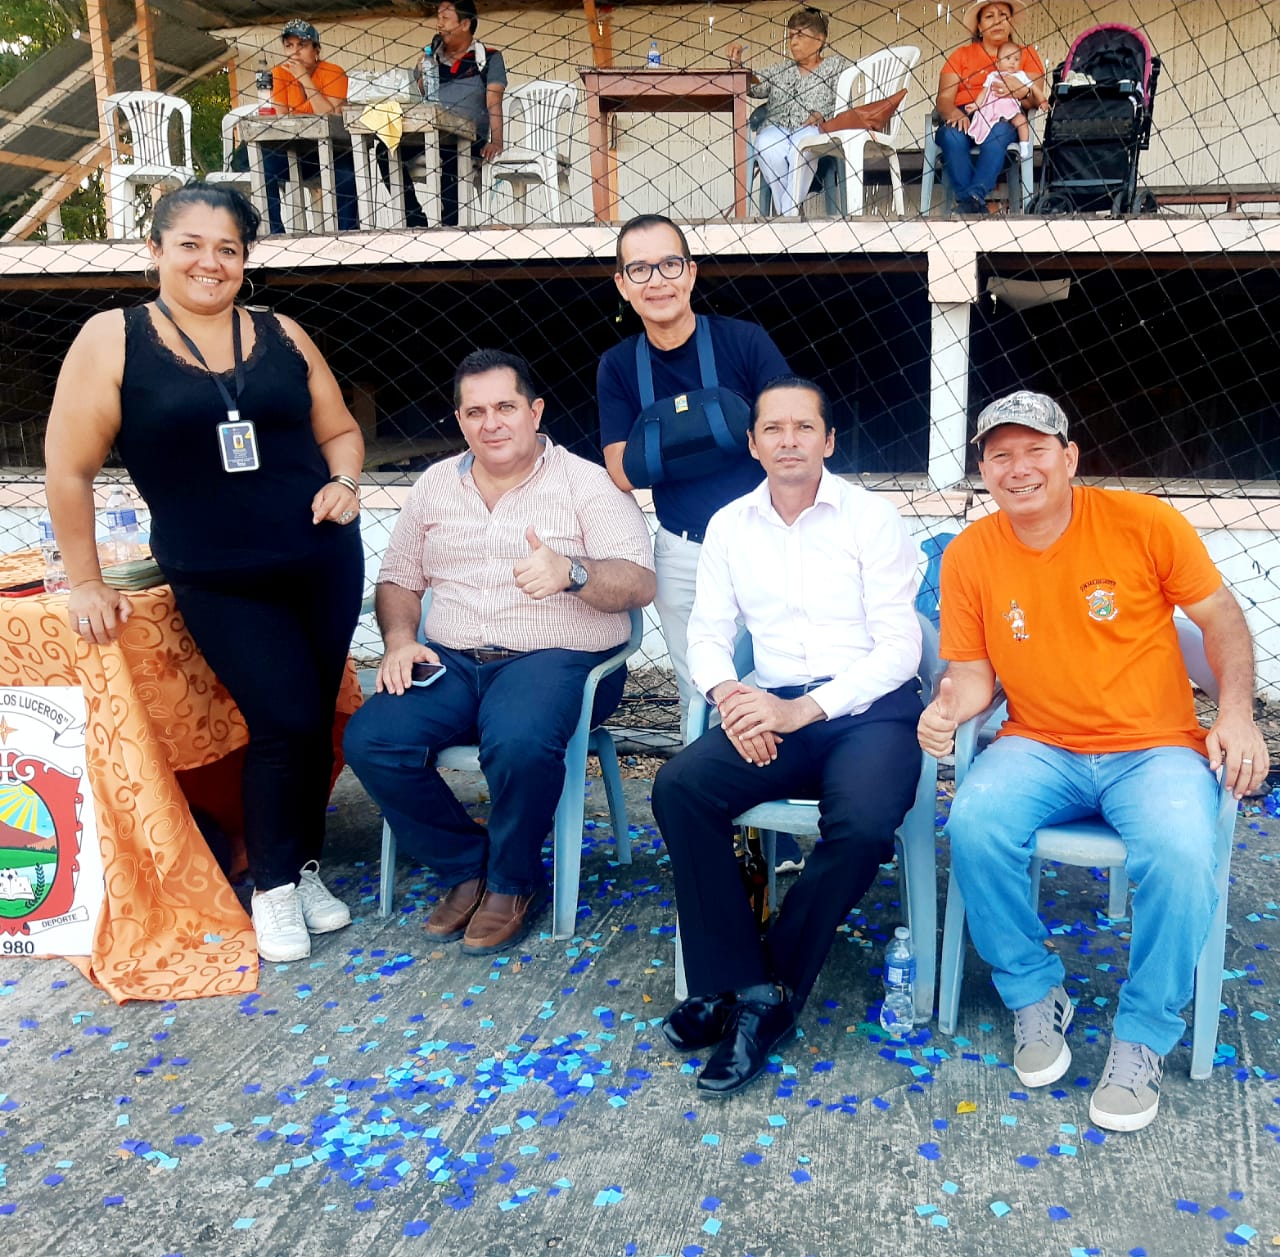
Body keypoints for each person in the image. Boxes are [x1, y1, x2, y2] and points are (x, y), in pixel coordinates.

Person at [917, 390, 1268, 1132]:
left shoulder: (1143, 522)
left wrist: (1236, 714)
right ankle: (1033, 990)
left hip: (1154, 748)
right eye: (1000, 456)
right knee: (975, 823)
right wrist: (947, 709)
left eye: (1035, 450)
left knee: (1181, 852)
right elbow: (974, 678)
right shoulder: (971, 554)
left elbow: (1221, 619)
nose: (1019, 468)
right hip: (1039, 742)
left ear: (1069, 457)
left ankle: (1142, 1034)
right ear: (984, 470)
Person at [44, 181, 366, 964]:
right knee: (282, 719)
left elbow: (341, 430)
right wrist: (86, 579)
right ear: (155, 250)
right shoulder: (113, 338)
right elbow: (68, 470)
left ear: (245, 260)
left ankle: (302, 866)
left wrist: (345, 482)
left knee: (313, 718)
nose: (209, 262)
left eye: (227, 248)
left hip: (322, 559)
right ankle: (272, 886)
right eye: (189, 244)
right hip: (219, 575)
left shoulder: (281, 331)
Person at [652, 377, 924, 1096]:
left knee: (862, 825)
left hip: (868, 709)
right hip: (770, 704)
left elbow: (900, 648)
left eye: (805, 427)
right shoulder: (730, 525)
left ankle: (762, 986)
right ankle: (742, 983)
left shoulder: (872, 519)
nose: (789, 440)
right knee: (680, 788)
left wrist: (804, 710)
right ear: (752, 444)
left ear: (828, 440)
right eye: (773, 428)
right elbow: (708, 634)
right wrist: (732, 699)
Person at [343, 350, 654, 956]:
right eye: (475, 412)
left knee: (517, 740)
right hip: (453, 660)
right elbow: (398, 578)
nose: (492, 424)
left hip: (557, 657)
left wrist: (572, 572)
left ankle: (513, 882)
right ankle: (466, 864)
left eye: (505, 408)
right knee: (373, 739)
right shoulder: (436, 484)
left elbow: (639, 581)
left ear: (534, 412)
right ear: (461, 420)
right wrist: (401, 640)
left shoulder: (585, 482)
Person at [598, 214, 789, 736]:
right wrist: (729, 432)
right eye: (639, 269)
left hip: (767, 540)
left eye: (669, 264)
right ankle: (707, 785)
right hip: (683, 553)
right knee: (700, 696)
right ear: (622, 284)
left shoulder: (744, 342)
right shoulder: (618, 365)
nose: (656, 280)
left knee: (782, 679)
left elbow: (790, 433)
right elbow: (621, 471)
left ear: (691, 272)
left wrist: (661, 439)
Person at [725, 8, 852, 217]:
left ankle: (785, 215)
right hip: (777, 129)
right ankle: (791, 213)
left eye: (800, 35)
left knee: (803, 146)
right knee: (764, 144)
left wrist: (823, 114)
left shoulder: (835, 66)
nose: (793, 42)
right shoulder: (781, 70)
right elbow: (752, 87)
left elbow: (845, 101)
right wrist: (737, 65)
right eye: (791, 36)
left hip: (812, 130)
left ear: (819, 40)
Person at [935, 1, 1045, 214]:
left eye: (1003, 15)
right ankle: (974, 204)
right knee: (951, 136)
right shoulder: (961, 55)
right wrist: (954, 112)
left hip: (1006, 116)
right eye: (989, 16)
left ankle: (972, 199)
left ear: (1011, 22)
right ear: (979, 26)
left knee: (999, 132)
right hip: (967, 113)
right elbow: (944, 98)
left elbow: (1036, 100)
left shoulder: (1027, 54)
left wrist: (1020, 91)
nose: (997, 21)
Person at [404, 0, 507, 227]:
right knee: (386, 151)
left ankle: (451, 229)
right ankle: (415, 219)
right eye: (438, 17)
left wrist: (497, 141)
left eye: (445, 18)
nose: (439, 24)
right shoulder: (431, 59)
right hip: (429, 135)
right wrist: (422, 70)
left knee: (451, 156)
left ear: (465, 24)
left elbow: (494, 101)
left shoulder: (488, 58)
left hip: (468, 139)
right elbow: (417, 97)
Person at [264, 19, 360, 233]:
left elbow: (330, 116)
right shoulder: (279, 73)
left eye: (302, 45)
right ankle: (275, 234)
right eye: (289, 46)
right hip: (294, 150)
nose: (295, 52)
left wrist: (304, 79)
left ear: (316, 50)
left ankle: (348, 235)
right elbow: (282, 118)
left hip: (333, 150)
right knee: (263, 167)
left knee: (347, 176)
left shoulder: (334, 72)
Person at [966, 41, 1042, 153]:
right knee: (988, 126)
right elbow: (984, 92)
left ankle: (1024, 145)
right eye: (1008, 58)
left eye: (1016, 59)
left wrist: (1042, 100)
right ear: (997, 63)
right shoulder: (993, 76)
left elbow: (1034, 88)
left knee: (1021, 121)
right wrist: (976, 105)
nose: (1012, 62)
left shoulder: (1020, 76)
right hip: (993, 111)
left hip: (1012, 111)